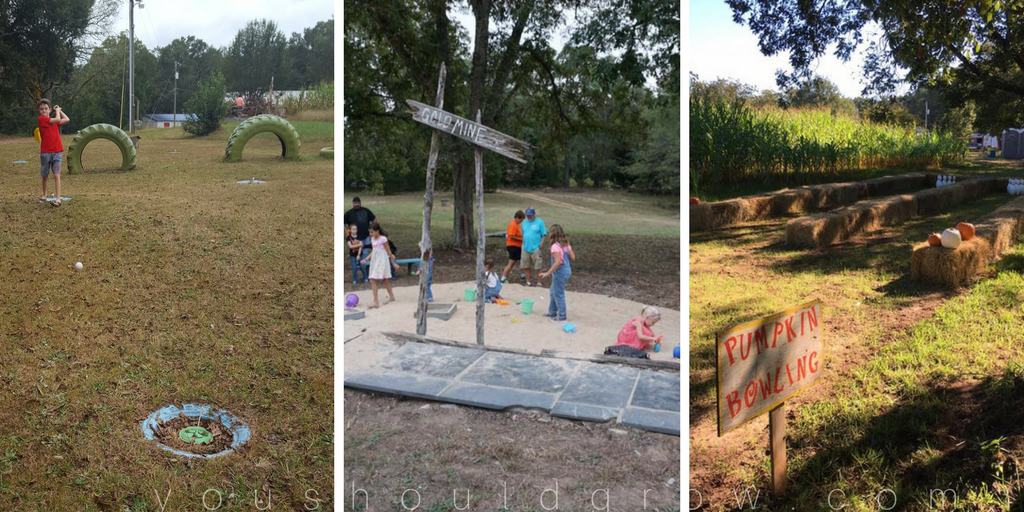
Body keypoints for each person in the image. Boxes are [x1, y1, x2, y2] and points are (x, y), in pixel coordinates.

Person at [37, 99, 69, 206]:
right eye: (42, 109)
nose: (44, 111)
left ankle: (58, 198)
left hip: (57, 151)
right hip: (45, 153)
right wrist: (58, 112)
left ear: (49, 110)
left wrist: (58, 110)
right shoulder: (41, 119)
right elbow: (58, 118)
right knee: (45, 175)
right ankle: (44, 194)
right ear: (39, 111)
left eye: (46, 109)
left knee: (57, 175)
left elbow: (67, 119)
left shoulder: (53, 120)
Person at [539, 224, 574, 321]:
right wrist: (567, 248)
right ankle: (552, 312)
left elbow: (558, 262)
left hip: (560, 272)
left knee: (558, 293)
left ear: (552, 234)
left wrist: (548, 273)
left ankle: (562, 315)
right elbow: (573, 257)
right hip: (567, 271)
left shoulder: (555, 246)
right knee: (552, 291)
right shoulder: (565, 244)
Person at [361, 222, 400, 308]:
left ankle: (376, 302)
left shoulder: (383, 239)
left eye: (372, 232)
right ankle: (391, 297)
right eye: (369, 232)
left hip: (382, 260)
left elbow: (389, 252)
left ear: (377, 231)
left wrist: (393, 263)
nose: (370, 234)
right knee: (385, 279)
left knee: (373, 279)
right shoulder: (372, 239)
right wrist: (366, 258)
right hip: (375, 261)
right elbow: (374, 251)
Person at [520, 207, 547, 286]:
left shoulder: (540, 222)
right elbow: (523, 233)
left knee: (538, 266)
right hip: (525, 247)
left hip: (536, 248)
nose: (529, 217)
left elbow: (543, 234)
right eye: (527, 215)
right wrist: (523, 243)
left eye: (530, 215)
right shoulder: (524, 223)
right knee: (525, 265)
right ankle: (528, 281)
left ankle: (539, 282)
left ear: (534, 215)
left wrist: (541, 244)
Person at [343, 196, 376, 261]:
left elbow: (374, 220)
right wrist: (347, 234)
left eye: (358, 203)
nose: (356, 204)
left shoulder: (366, 210)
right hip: (355, 238)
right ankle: (356, 266)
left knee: (365, 253)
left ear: (360, 203)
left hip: (366, 237)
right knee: (356, 253)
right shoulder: (348, 213)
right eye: (355, 203)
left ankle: (364, 267)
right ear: (352, 204)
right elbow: (344, 224)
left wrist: (372, 231)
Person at [501, 210, 525, 283]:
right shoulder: (513, 224)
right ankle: (503, 278)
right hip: (513, 246)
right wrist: (521, 239)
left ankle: (521, 274)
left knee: (515, 262)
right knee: (511, 263)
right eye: (521, 219)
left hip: (516, 247)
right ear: (517, 217)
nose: (521, 221)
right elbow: (511, 236)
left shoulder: (517, 224)